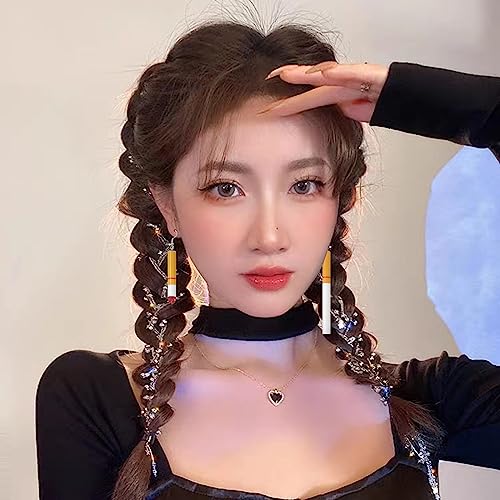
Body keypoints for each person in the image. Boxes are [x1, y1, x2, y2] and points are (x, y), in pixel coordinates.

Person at [35, 19, 500, 500]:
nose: (270, 236)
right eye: (225, 188)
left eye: (304, 185)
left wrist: (457, 108)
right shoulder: (99, 398)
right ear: (167, 204)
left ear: (341, 198)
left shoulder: (428, 399)